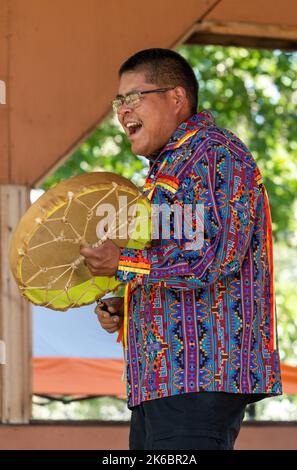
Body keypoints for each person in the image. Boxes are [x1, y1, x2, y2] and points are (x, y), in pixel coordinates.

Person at [80, 48, 282, 450]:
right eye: (119, 101)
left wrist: (124, 264)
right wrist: (130, 300)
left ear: (176, 98)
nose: (123, 111)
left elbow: (212, 257)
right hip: (160, 383)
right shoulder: (169, 169)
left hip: (198, 378)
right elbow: (172, 261)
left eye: (134, 96)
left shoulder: (214, 152)